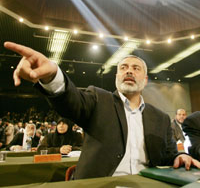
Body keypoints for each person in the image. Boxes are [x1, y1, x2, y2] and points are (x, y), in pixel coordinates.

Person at [4, 42, 200, 179]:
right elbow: (70, 100)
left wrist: (179, 157)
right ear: (117, 76)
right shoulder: (98, 99)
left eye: (135, 68)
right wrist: (53, 75)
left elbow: (169, 155)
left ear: (145, 80)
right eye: (123, 67)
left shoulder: (161, 118)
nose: (129, 71)